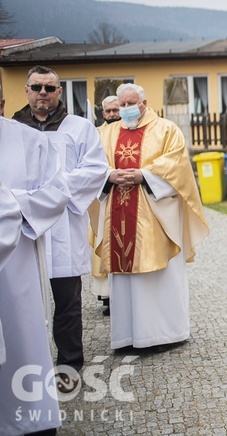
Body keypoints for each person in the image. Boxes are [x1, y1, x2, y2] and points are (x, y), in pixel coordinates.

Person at [12, 65, 108, 393]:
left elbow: (96, 169)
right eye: (36, 87)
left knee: (67, 304)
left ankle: (69, 366)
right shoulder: (11, 129)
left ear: (59, 92)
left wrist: (52, 192)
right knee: (25, 303)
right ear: (26, 90)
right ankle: (28, 367)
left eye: (49, 88)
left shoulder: (79, 128)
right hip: (23, 229)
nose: (42, 93)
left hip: (64, 226)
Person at [92, 83, 208, 350]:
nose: (125, 109)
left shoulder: (166, 130)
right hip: (117, 212)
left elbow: (177, 164)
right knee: (125, 277)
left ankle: (165, 334)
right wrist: (110, 175)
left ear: (144, 103)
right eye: (121, 105)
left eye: (130, 104)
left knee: (158, 276)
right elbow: (93, 164)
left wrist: (144, 175)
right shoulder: (106, 134)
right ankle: (127, 336)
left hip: (154, 214)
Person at [0, 117, 70, 435]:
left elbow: (57, 192)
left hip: (15, 266)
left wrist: (11, 209)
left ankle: (29, 422)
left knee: (21, 347)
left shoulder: (30, 142)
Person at [91, 95, 122, 316]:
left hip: (125, 194)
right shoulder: (96, 135)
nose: (112, 114)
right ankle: (108, 296)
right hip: (103, 196)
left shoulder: (129, 132)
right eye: (108, 111)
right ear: (102, 114)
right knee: (104, 242)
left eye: (115, 110)